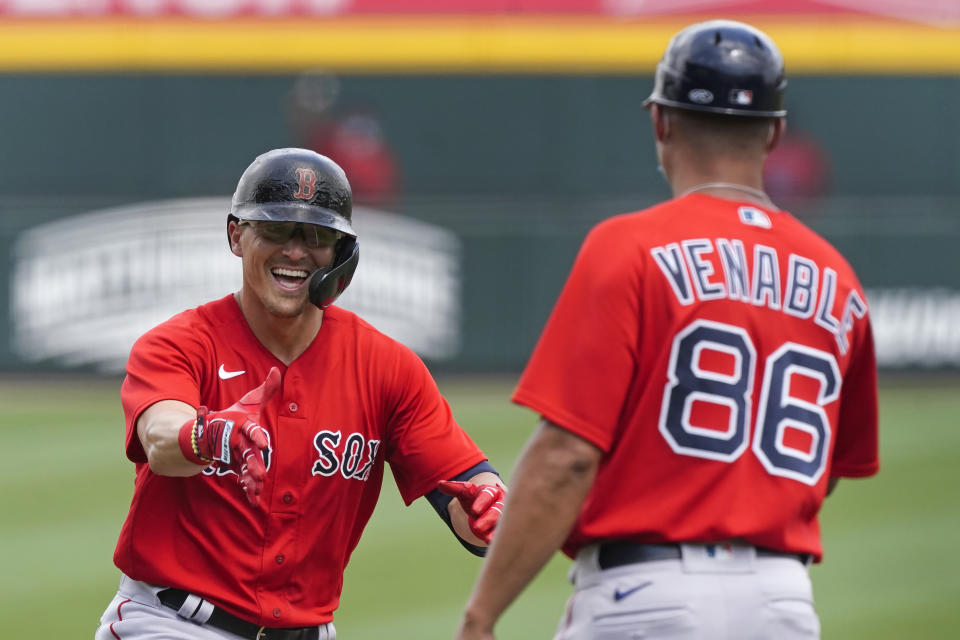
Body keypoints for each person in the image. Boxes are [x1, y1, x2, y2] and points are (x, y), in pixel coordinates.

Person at [454, 20, 879, 640]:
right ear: (777, 133)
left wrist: (481, 616)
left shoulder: (628, 247)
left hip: (646, 596)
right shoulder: (839, 278)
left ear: (661, 122)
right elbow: (828, 467)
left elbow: (568, 456)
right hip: (784, 600)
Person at [95, 148, 506, 640]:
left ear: (341, 251)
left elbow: (463, 489)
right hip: (173, 623)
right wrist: (213, 434)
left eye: (317, 235)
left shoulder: (386, 367)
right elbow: (161, 439)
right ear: (235, 235)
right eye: (275, 230)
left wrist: (490, 511)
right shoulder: (181, 343)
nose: (295, 251)